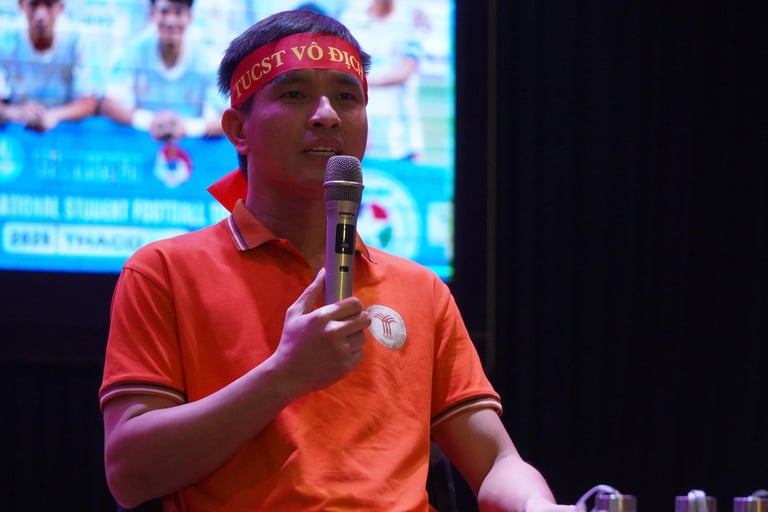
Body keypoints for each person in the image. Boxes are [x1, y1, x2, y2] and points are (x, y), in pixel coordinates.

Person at [99, 9, 574, 512]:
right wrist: (283, 375)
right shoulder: (163, 272)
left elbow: (497, 461)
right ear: (238, 129)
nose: (327, 115)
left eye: (347, 97)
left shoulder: (421, 289)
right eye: (295, 94)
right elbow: (130, 473)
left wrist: (538, 506)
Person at [99, 0, 225, 142]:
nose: (170, 21)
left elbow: (225, 116)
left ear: (189, 17)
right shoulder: (134, 52)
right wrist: (149, 121)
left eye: (178, 12)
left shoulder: (207, 58)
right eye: (164, 12)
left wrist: (186, 127)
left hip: (193, 150)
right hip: (143, 146)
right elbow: (108, 104)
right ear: (152, 14)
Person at [340, 0, 427, 162]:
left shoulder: (410, 19)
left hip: (401, 140)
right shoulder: (352, 19)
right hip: (362, 136)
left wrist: (361, 80)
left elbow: (405, 71)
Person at [0, 0, 98, 133]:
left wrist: (54, 115)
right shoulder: (5, 40)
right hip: (17, 133)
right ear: (21, 5)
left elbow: (89, 102)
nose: (41, 15)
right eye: (34, 4)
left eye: (49, 4)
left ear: (61, 8)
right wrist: (15, 112)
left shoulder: (77, 38)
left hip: (66, 131)